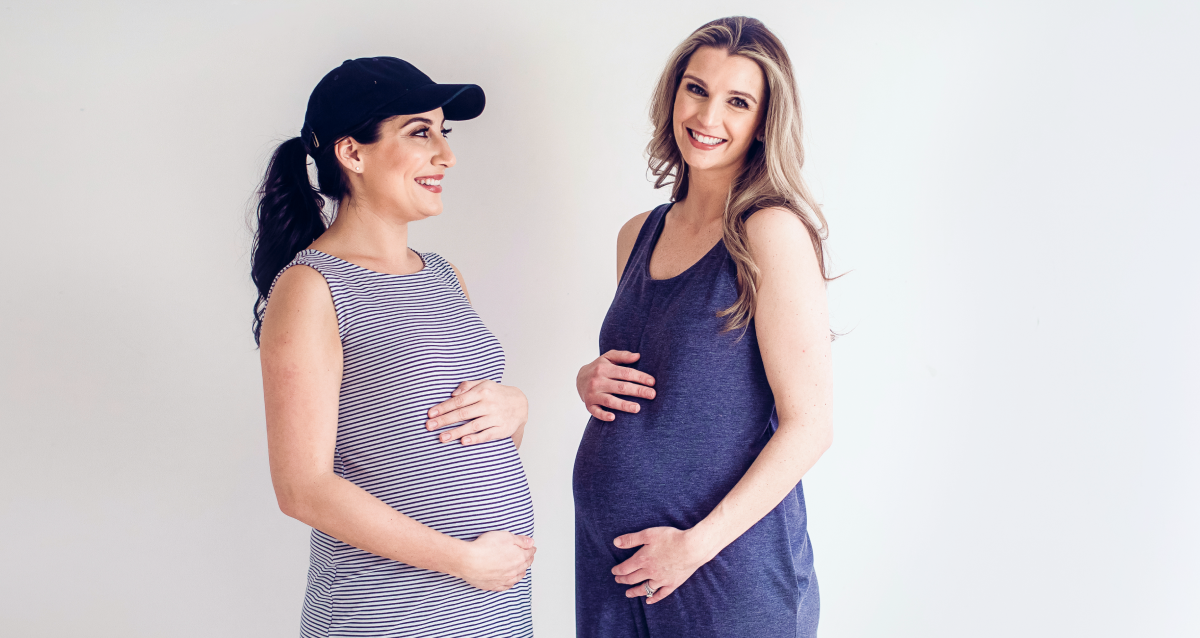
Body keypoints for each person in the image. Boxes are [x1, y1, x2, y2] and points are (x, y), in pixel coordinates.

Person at [252, 57, 535, 637]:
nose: (446, 155)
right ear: (351, 153)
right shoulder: (310, 288)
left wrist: (516, 410)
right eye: (419, 132)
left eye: (443, 132)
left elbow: (451, 438)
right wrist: (462, 559)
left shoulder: (443, 275)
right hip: (389, 614)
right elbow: (302, 489)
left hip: (489, 610)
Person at [572, 17, 834, 638]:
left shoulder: (769, 232)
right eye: (697, 89)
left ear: (764, 122)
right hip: (612, 565)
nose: (708, 115)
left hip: (720, 572)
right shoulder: (637, 235)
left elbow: (811, 426)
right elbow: (672, 379)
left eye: (737, 101)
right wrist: (590, 377)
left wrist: (693, 547)